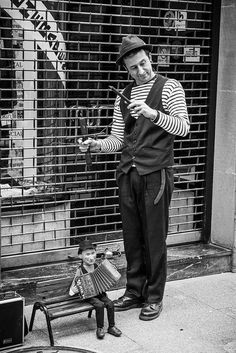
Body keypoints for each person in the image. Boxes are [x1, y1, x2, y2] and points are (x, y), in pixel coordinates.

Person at [78, 35, 190, 321]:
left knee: (154, 238)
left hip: (156, 173)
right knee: (132, 236)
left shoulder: (170, 88)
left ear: (149, 58)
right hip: (128, 173)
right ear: (126, 70)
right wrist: (97, 145)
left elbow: (183, 128)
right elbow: (118, 139)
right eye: (133, 68)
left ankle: (154, 297)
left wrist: (152, 113)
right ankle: (135, 290)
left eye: (143, 64)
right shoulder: (123, 95)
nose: (140, 72)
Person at [69, 239, 122, 339]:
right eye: (87, 254)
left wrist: (113, 271)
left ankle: (111, 326)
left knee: (110, 304)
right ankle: (100, 328)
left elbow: (109, 278)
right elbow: (72, 290)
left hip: (100, 293)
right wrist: (75, 289)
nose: (91, 257)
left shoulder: (98, 266)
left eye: (93, 253)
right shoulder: (80, 270)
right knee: (99, 305)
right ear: (80, 256)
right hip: (89, 296)